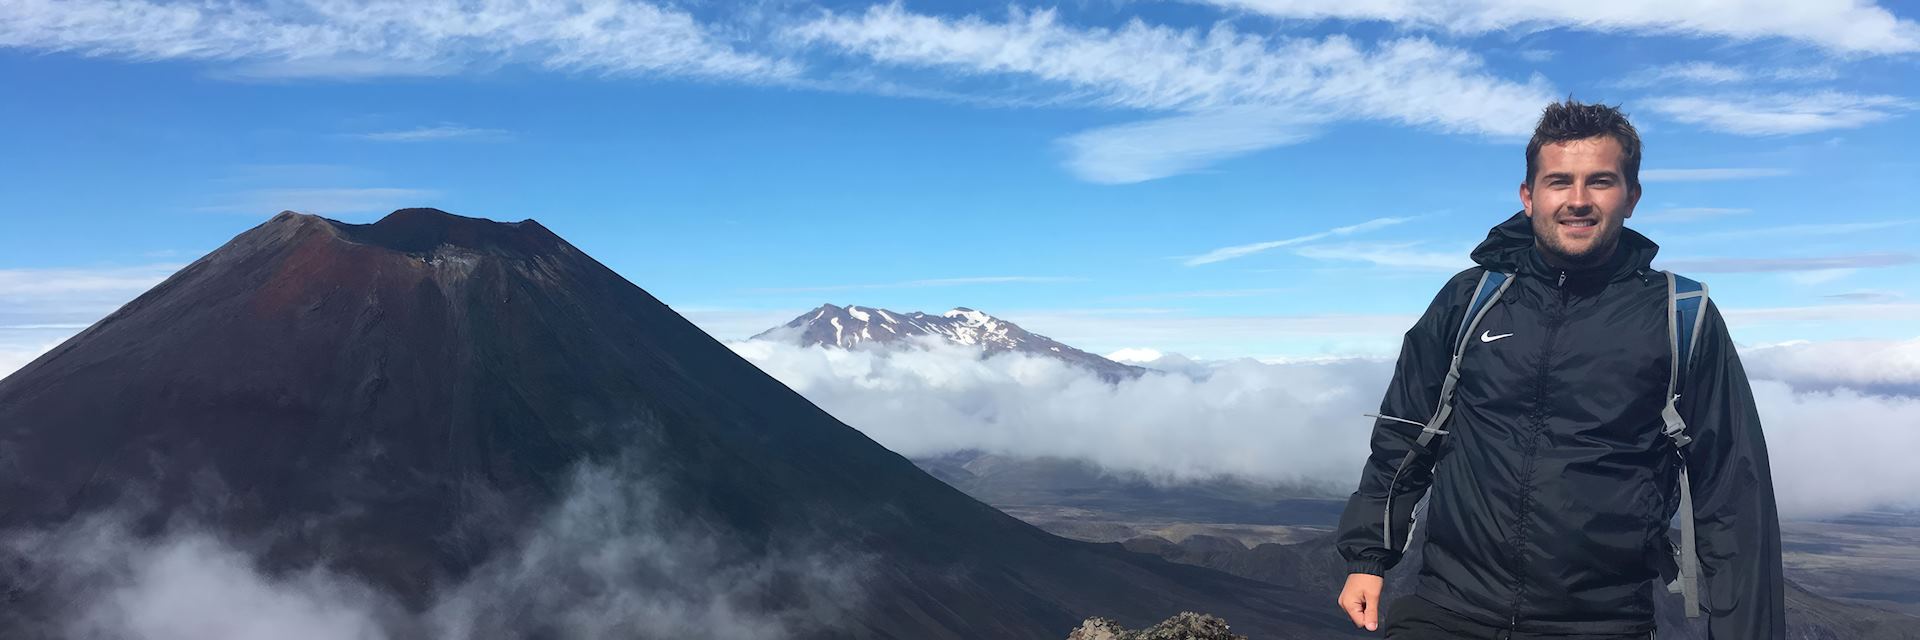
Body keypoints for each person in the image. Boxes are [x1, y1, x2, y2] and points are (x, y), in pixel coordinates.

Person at [1332, 100, 1785, 639]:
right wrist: (1368, 556)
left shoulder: (1680, 316)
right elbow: (1406, 433)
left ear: (1632, 196)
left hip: (1601, 622)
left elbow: (1733, 493)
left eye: (1600, 181)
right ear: (1528, 197)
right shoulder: (1471, 298)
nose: (1577, 200)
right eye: (1558, 182)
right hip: (1448, 607)